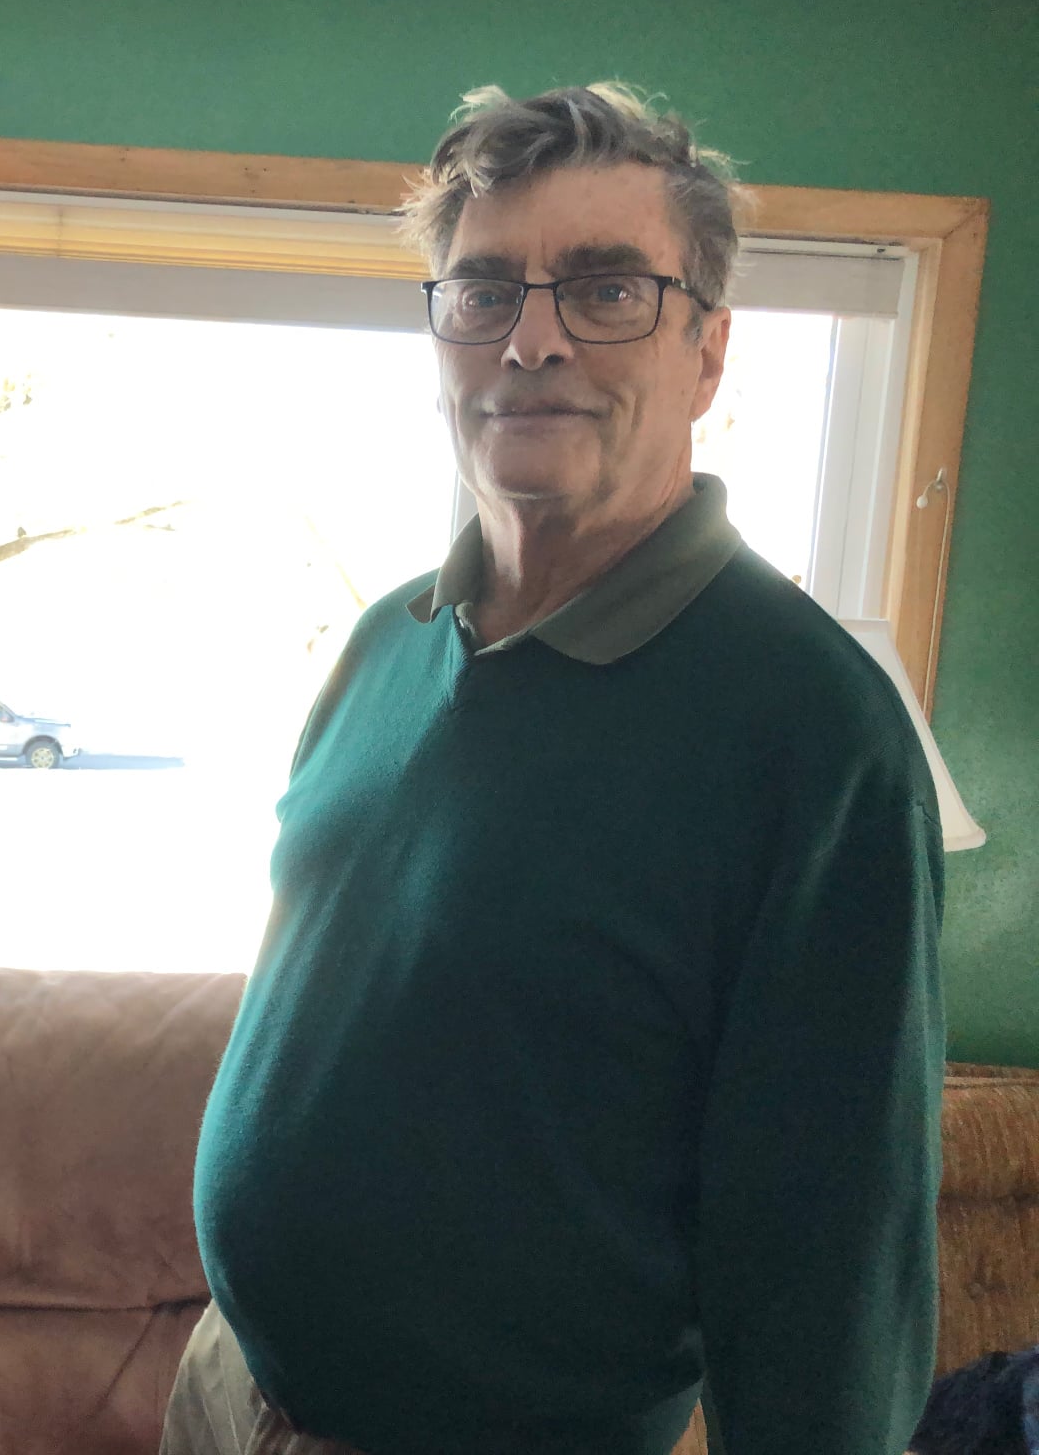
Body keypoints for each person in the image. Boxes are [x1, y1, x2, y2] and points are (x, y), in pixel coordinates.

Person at [168, 84, 944, 1455]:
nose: (531, 339)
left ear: (708, 354)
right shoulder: (386, 641)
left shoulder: (814, 733)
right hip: (228, 1389)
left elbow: (830, 1264)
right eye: (483, 292)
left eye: (607, 291)